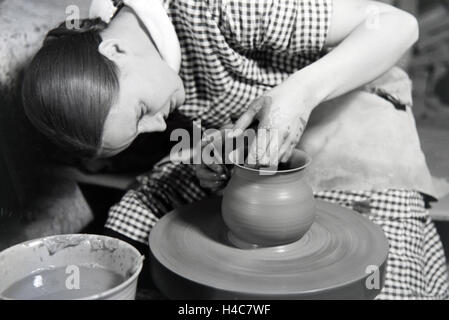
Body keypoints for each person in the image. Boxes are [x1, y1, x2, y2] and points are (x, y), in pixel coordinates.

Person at [21, 0, 449, 299]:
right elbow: (218, 128)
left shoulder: (219, 8)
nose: (156, 126)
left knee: (373, 276)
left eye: (140, 113)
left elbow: (397, 24)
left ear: (114, 50)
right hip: (261, 148)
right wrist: (214, 155)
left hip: (357, 121)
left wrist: (299, 93)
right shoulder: (137, 53)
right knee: (136, 211)